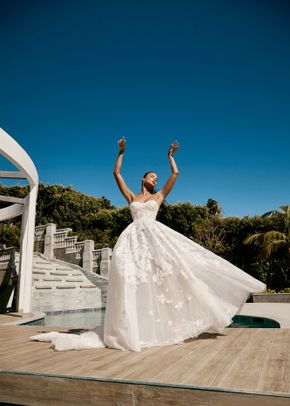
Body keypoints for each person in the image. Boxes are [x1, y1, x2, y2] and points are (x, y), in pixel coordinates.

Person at [30, 138, 266, 351]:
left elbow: (175, 175)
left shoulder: (159, 196)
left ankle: (168, 322)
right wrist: (121, 152)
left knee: (175, 273)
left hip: (155, 239)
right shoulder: (133, 197)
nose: (156, 179)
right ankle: (133, 326)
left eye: (156, 178)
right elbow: (116, 174)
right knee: (129, 278)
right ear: (143, 179)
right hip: (132, 240)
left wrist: (170, 157)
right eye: (152, 176)